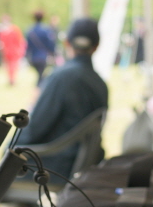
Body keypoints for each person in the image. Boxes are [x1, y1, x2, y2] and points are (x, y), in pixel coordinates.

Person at [14, 17, 109, 184]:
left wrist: (11, 146)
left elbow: (35, 127)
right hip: (84, 165)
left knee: (2, 170)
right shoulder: (101, 84)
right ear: (97, 47)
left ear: (67, 42)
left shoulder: (61, 77)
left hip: (55, 166)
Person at [25, 10, 58, 84]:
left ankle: (39, 88)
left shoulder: (30, 30)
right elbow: (50, 44)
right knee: (41, 76)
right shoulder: (46, 30)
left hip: (33, 57)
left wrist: (27, 56)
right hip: (43, 57)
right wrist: (53, 53)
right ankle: (39, 89)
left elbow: (28, 46)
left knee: (40, 75)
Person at [0, 13, 25, 85]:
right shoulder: (8, 30)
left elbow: (19, 40)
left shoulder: (7, 30)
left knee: (11, 66)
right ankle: (11, 79)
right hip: (9, 51)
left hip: (11, 50)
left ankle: (11, 79)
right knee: (11, 66)